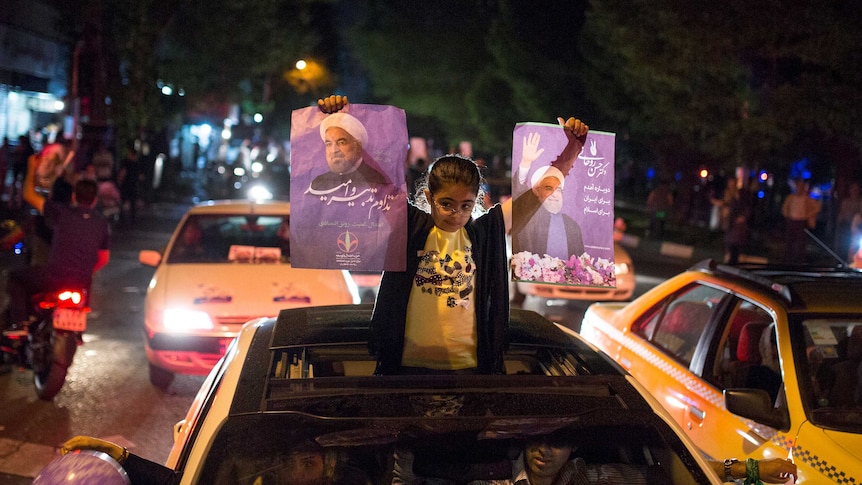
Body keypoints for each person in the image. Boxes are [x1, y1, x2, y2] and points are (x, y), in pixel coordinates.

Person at [315, 95, 588, 375]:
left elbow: (542, 190)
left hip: (470, 371)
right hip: (406, 370)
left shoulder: (486, 232)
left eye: (466, 206)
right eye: (446, 204)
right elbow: (370, 174)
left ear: (476, 202)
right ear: (429, 197)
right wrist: (336, 120)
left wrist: (573, 147)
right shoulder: (408, 224)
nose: (456, 214)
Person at [4, 146, 110, 331]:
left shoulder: (61, 213)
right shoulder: (101, 225)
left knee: (15, 277)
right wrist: (85, 268)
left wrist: (30, 166)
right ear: (94, 201)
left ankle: (18, 323)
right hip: (83, 283)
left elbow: (29, 195)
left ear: (74, 197)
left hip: (53, 277)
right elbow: (103, 260)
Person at [510, 165, 584, 260]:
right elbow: (519, 193)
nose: (554, 195)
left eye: (558, 190)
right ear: (537, 191)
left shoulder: (572, 226)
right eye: (549, 189)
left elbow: (580, 265)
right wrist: (526, 162)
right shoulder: (527, 218)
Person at [309, 111, 391, 192]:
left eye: (341, 143)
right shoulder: (318, 184)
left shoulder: (376, 181)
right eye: (329, 144)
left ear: (358, 147)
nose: (334, 151)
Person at [781, 179, 821, 263]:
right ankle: (788, 258)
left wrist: (809, 215)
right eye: (798, 186)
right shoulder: (791, 197)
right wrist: (787, 216)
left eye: (801, 187)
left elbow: (817, 207)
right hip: (792, 220)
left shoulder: (807, 199)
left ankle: (799, 259)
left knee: (801, 242)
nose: (799, 188)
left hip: (801, 222)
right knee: (789, 240)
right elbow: (785, 208)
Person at [836, 181, 862, 261]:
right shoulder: (846, 202)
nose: (854, 191)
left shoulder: (861, 202)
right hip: (846, 227)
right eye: (853, 189)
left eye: (856, 189)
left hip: (857, 228)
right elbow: (842, 214)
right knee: (845, 247)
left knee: (855, 247)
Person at [118, 144, 143, 223]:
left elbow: (123, 173)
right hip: (131, 184)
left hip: (128, 184)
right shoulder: (136, 163)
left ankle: (124, 216)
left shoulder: (128, 163)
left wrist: (120, 180)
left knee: (127, 200)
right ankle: (131, 217)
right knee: (131, 201)